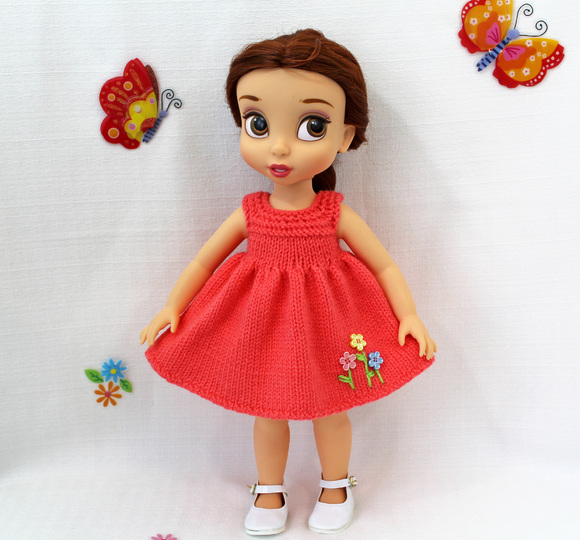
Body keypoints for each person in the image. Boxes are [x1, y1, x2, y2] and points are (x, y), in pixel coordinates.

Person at [141, 29, 436, 535]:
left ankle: (336, 486)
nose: (279, 146)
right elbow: (204, 263)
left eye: (312, 126)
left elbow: (384, 265)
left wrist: (407, 314)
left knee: (331, 408)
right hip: (263, 326)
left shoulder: (335, 212)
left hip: (328, 326)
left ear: (345, 136)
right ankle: (269, 491)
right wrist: (174, 306)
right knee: (267, 411)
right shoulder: (251, 211)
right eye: (257, 123)